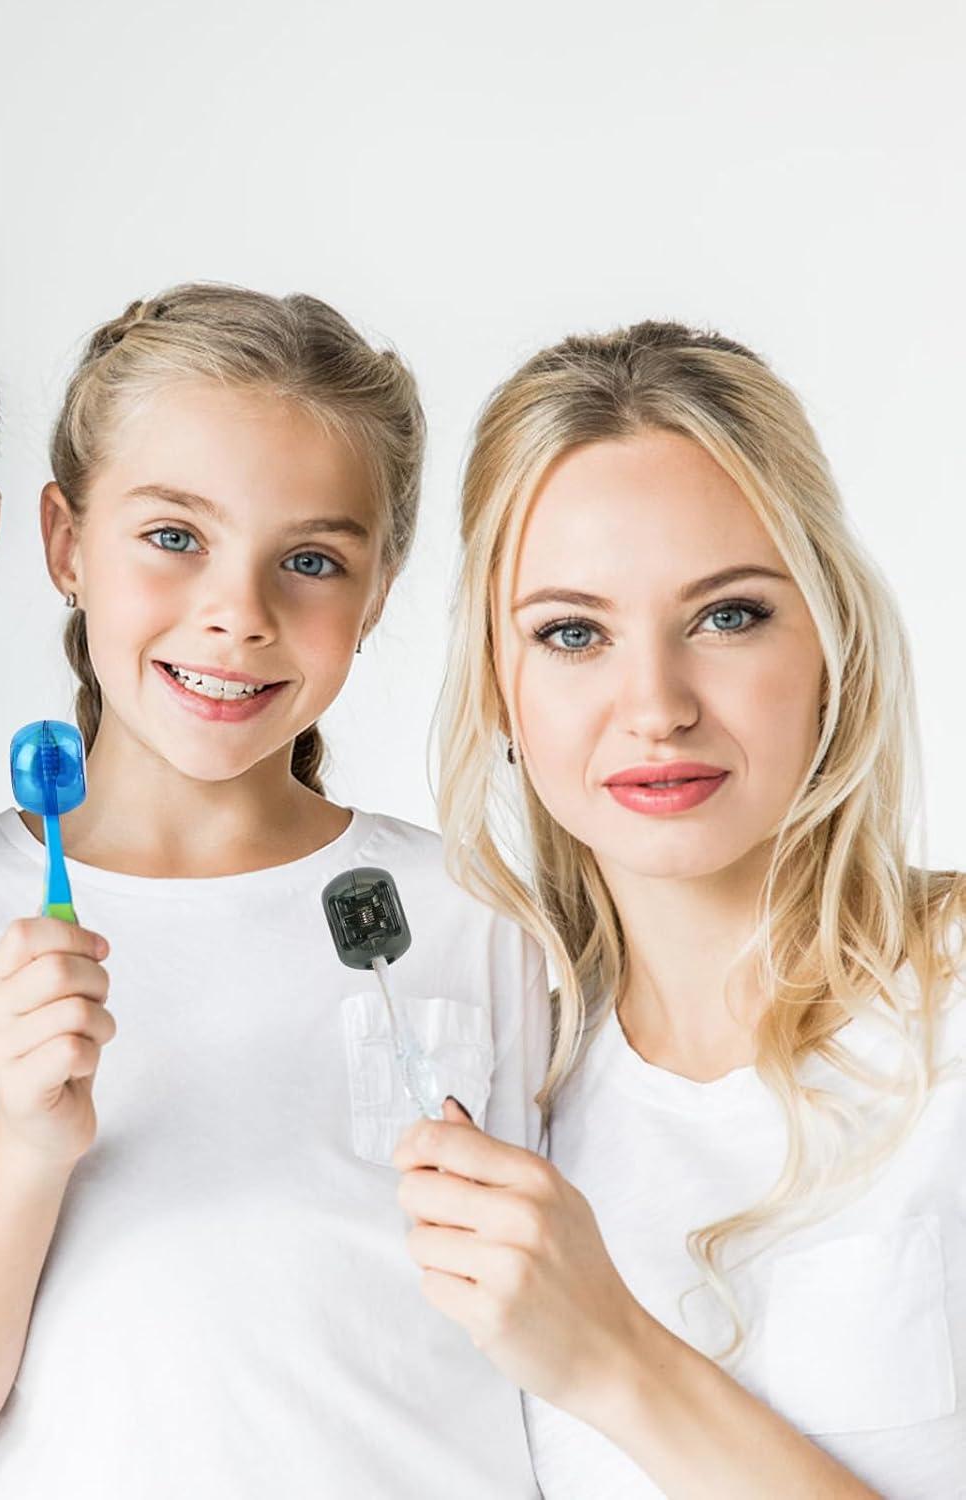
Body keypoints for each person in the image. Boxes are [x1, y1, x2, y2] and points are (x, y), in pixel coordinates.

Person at [0, 284, 551, 1498]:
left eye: (309, 560)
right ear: (66, 545)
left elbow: (560, 1361)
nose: (238, 615)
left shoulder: (479, 909)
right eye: (175, 537)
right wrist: (28, 1144)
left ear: (380, 591)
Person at [399, 320, 965, 1496]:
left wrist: (615, 1361)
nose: (654, 705)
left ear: (834, 639)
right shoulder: (509, 1083)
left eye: (728, 614)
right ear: (502, 694)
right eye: (572, 633)